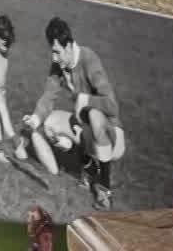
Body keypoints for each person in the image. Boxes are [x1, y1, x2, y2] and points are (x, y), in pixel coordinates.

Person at [28, 18, 122, 210]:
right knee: (50, 123)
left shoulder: (89, 59)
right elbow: (48, 95)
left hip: (112, 134)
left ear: (69, 46)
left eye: (57, 52)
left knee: (94, 116)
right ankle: (88, 168)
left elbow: (112, 106)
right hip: (85, 127)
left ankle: (104, 189)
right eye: (52, 51)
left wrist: (85, 100)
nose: (54, 58)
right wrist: (35, 118)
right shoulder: (59, 66)